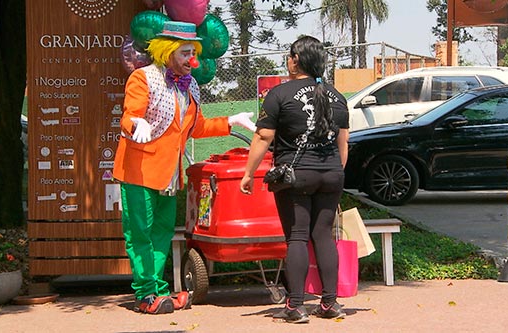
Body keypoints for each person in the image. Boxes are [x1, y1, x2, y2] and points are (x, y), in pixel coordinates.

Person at [113, 21, 255, 315]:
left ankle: (158, 290)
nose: (193, 60)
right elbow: (131, 114)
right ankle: (145, 293)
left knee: (162, 232)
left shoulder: (190, 86)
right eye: (186, 53)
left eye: (194, 52)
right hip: (139, 171)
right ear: (168, 53)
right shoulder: (143, 78)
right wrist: (135, 123)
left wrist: (230, 121)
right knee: (141, 232)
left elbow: (197, 127)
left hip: (169, 173)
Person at [239, 36, 349, 324]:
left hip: (296, 175)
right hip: (332, 173)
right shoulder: (337, 97)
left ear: (296, 59)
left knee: (297, 236)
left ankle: (295, 306)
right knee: (323, 235)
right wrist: (334, 175)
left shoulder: (279, 95)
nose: (287, 60)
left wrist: (249, 173)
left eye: (289, 55)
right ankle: (329, 303)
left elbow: (264, 136)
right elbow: (343, 143)